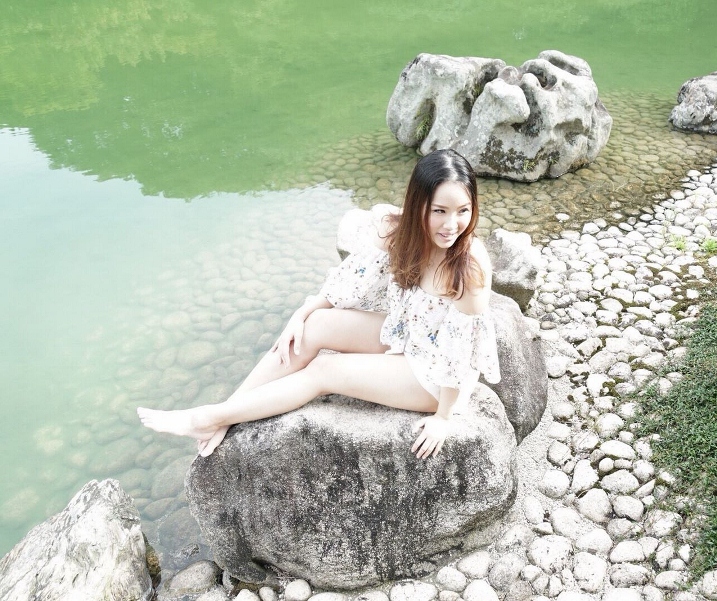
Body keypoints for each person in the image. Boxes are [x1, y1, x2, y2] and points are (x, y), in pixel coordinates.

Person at [138, 149, 500, 460]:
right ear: (418, 204)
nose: (452, 224)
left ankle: (206, 418)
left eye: (463, 211)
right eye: (439, 211)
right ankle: (227, 413)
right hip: (406, 335)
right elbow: (351, 279)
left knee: (325, 370)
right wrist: (303, 313)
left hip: (434, 376)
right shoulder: (397, 231)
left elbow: (459, 353)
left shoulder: (468, 267)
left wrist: (444, 417)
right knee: (316, 326)